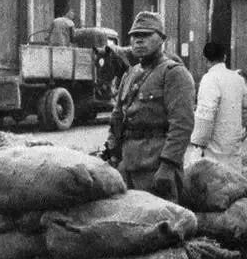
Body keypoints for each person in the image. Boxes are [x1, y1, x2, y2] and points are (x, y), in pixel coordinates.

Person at [103, 11, 195, 203]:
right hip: (127, 167)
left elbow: (182, 125)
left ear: (162, 39)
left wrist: (168, 166)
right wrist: (112, 152)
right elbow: (117, 118)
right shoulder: (130, 74)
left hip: (156, 169)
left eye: (146, 35)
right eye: (135, 35)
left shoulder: (174, 73)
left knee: (162, 220)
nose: (139, 40)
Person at [189, 42, 247, 173]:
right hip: (233, 148)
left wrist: (198, 143)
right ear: (225, 57)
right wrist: (243, 133)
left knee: (214, 182)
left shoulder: (209, 79)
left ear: (204, 59)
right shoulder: (238, 79)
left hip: (213, 151)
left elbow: (206, 115)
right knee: (234, 181)